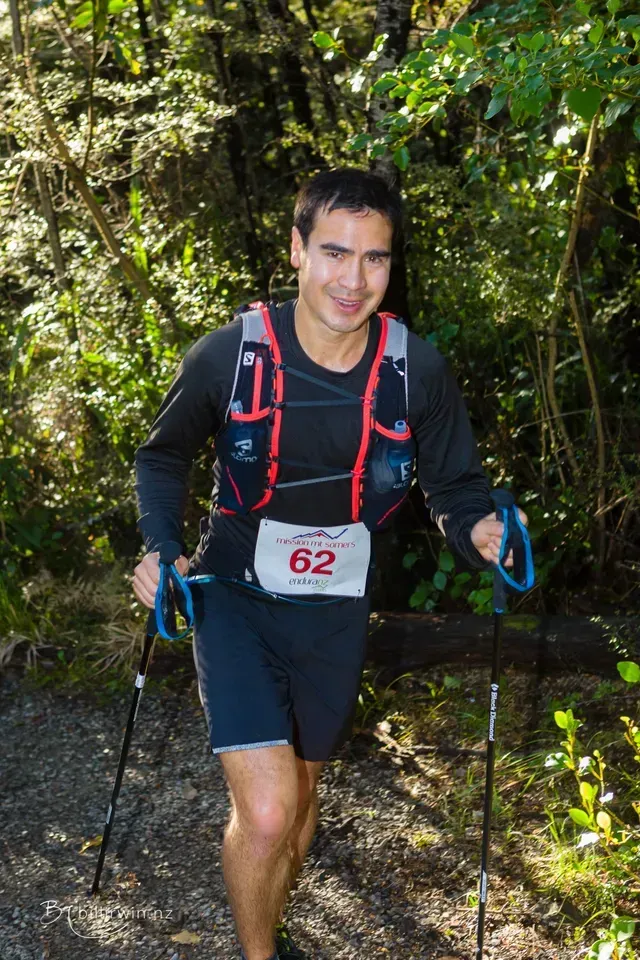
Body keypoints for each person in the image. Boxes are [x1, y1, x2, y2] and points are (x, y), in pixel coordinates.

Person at [132, 168, 526, 960]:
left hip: (338, 610)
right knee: (271, 811)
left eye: (375, 259)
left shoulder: (417, 370)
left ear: (391, 266)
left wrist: (481, 531)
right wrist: (159, 545)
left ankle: (268, 919)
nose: (353, 279)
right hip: (234, 594)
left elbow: (454, 487)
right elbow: (163, 456)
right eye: (335, 253)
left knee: (303, 798)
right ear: (298, 250)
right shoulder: (229, 357)